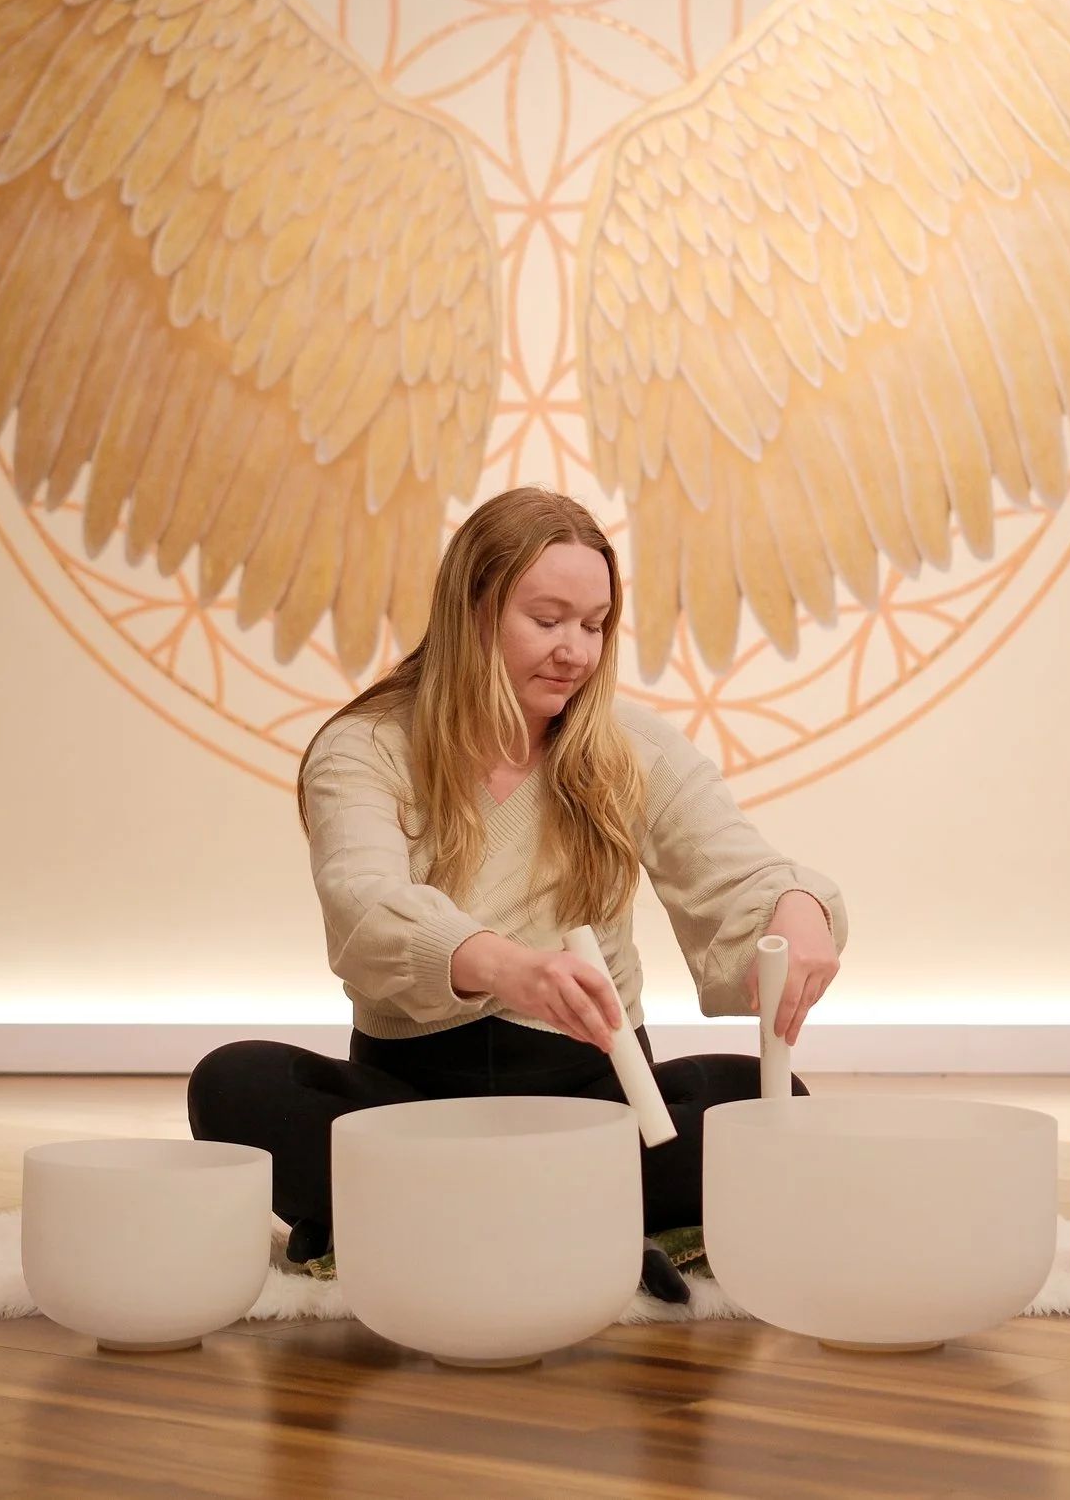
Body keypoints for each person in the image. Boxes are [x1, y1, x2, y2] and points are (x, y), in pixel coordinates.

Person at [187, 487, 844, 1301]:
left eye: (594, 624)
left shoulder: (629, 746)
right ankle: (586, 1221)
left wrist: (797, 908)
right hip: (415, 1102)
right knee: (236, 1083)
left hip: (598, 1103)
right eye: (547, 619)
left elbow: (743, 870)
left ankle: (438, 1221)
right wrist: (506, 967)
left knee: (761, 1101)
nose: (576, 650)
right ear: (472, 609)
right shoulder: (365, 747)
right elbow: (363, 902)